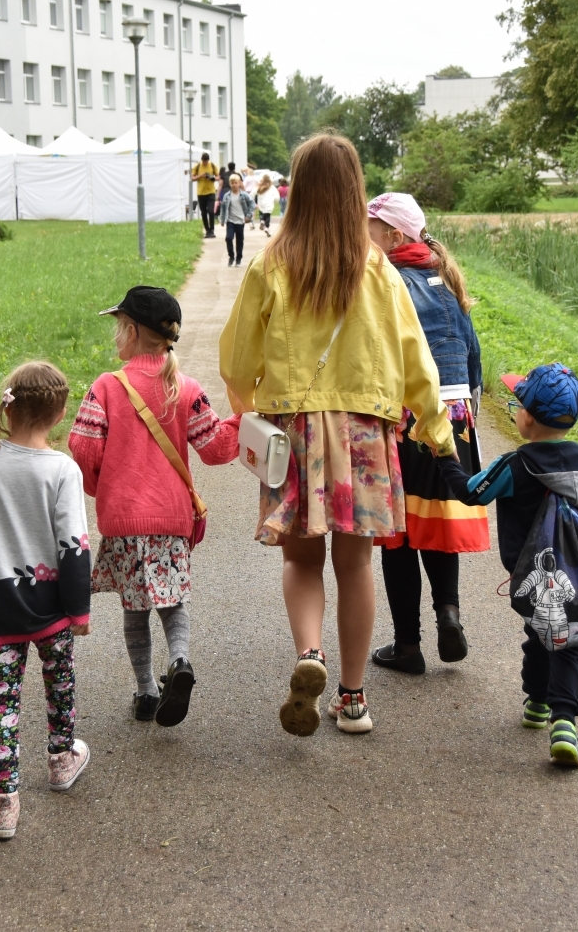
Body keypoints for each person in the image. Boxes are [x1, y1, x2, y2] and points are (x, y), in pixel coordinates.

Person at [220, 133, 454, 737]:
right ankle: (353, 699)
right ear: (355, 190)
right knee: (356, 566)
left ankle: (309, 653)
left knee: (301, 559)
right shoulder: (378, 268)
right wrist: (435, 429)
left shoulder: (271, 261)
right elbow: (415, 357)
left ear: (298, 188)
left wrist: (249, 406)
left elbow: (237, 354)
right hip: (364, 435)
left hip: (292, 430)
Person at [69, 286, 240, 727]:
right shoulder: (185, 388)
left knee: (135, 605)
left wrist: (100, 487)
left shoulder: (107, 387)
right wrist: (243, 419)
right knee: (172, 598)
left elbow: (83, 448)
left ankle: (146, 692)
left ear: (132, 331)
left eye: (119, 328)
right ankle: (179, 662)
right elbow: (217, 448)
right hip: (171, 518)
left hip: (124, 519)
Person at [448, 363, 578, 767]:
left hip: (532, 574)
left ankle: (544, 707)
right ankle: (560, 717)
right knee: (570, 642)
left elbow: (470, 493)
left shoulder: (516, 464)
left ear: (526, 416)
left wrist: (446, 455)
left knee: (540, 632)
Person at [0, 361, 92, 839]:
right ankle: (61, 758)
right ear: (59, 412)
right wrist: (79, 610)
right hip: (51, 605)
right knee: (60, 683)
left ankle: (4, 800)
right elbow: (74, 546)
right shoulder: (62, 470)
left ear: (9, 406)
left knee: (2, 703)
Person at [362, 193, 488, 676]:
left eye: (370, 230)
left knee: (399, 535)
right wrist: (468, 417)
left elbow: (381, 355)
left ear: (394, 237)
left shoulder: (388, 280)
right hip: (455, 416)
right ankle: (449, 613)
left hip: (407, 417)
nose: (362, 239)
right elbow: (473, 356)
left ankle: (408, 645)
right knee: (434, 527)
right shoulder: (447, 279)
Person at [220, 173, 255, 266]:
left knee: (239, 240)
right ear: (230, 184)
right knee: (228, 238)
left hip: (240, 221)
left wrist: (248, 216)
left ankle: (238, 259)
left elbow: (252, 204)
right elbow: (223, 208)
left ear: (239, 183)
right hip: (230, 221)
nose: (234, 185)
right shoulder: (227, 196)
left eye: (236, 183)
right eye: (232, 183)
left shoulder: (244, 195)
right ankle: (231, 257)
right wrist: (222, 220)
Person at [193, 153, 219, 238]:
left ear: (208, 160)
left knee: (211, 211)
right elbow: (192, 178)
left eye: (206, 161)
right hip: (201, 192)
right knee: (203, 212)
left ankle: (212, 230)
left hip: (211, 191)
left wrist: (211, 177)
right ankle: (207, 230)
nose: (205, 163)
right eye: (204, 161)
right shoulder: (197, 167)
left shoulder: (212, 165)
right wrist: (200, 176)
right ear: (202, 160)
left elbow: (218, 177)